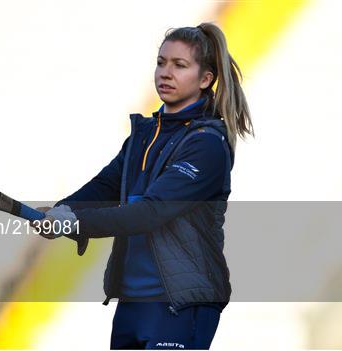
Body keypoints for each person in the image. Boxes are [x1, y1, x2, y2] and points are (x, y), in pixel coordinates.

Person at [33, 22, 253, 350]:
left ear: (205, 79)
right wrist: (63, 210)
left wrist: (78, 223)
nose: (166, 72)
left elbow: (149, 213)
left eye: (180, 65)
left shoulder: (207, 144)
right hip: (133, 302)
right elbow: (104, 187)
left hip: (181, 304)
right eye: (161, 62)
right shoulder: (144, 135)